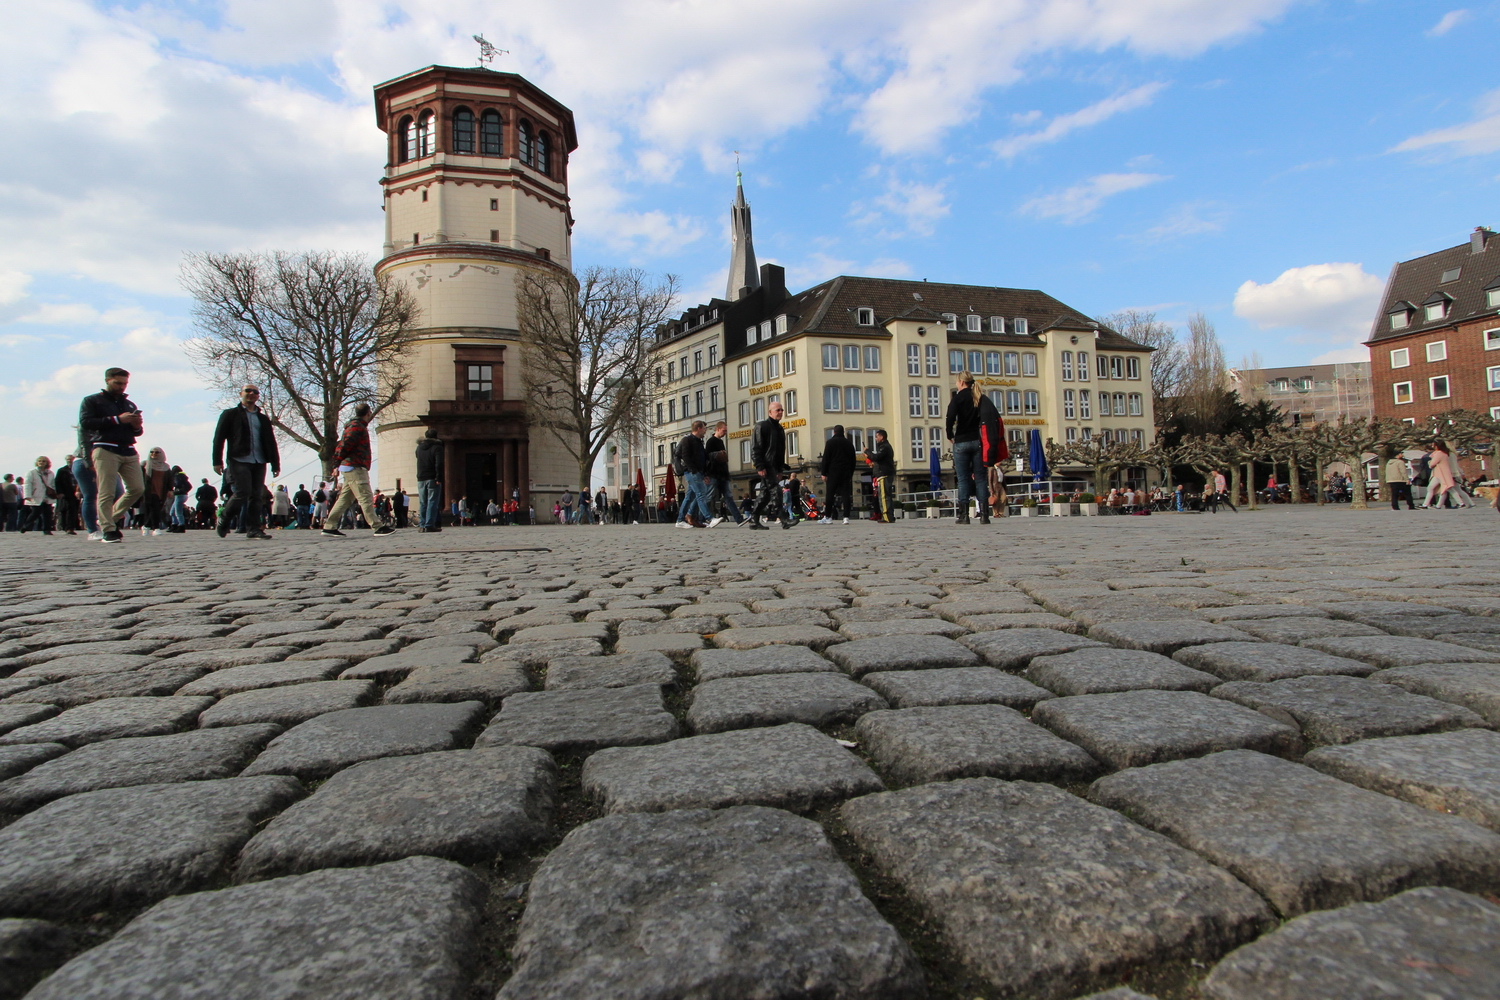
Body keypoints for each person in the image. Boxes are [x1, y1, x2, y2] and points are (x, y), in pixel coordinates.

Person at [79, 367, 145, 544]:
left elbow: (137, 432)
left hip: (128, 449)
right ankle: (108, 530)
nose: (122, 387)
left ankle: (108, 519)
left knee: (137, 488)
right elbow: (85, 423)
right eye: (118, 383)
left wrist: (137, 425)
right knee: (106, 491)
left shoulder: (129, 404)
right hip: (105, 447)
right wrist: (116, 419)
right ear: (107, 380)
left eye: (124, 383)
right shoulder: (92, 401)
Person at [212, 384, 281, 540]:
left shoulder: (262, 419)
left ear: (258, 396)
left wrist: (275, 464)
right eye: (248, 391)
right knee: (243, 492)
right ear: (241, 394)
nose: (251, 394)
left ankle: (253, 529)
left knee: (257, 495)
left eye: (255, 392)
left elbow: (271, 441)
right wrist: (217, 461)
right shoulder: (230, 414)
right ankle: (225, 516)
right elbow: (219, 439)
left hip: (259, 459)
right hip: (239, 458)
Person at [321, 403, 393, 537]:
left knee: (345, 499)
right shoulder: (357, 428)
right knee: (365, 497)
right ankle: (377, 526)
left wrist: (337, 464)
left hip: (351, 466)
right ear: (368, 413)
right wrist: (335, 463)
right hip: (355, 466)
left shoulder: (354, 426)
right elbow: (344, 446)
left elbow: (343, 445)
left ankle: (329, 526)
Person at [946, 371, 1001, 525]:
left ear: (961, 382)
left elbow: (950, 417)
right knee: (981, 479)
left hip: (961, 442)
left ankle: (964, 516)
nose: (956, 384)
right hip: (978, 442)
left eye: (957, 382)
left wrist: (949, 434)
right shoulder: (979, 397)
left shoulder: (957, 398)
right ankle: (984, 515)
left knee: (963, 480)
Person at [749, 400, 794, 530]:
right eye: (777, 410)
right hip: (766, 464)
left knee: (764, 494)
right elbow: (756, 448)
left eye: (781, 410)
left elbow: (780, 451)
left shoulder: (780, 429)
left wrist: (780, 469)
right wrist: (759, 465)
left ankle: (753, 519)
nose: (780, 412)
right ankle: (784, 520)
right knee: (776, 491)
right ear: (770, 412)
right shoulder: (762, 426)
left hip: (774, 466)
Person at [674, 421, 716, 529]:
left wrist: (705, 473)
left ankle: (680, 519)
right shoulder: (687, 440)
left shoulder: (699, 442)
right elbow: (685, 456)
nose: (705, 431)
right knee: (701, 494)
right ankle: (710, 518)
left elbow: (702, 459)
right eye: (704, 428)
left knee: (690, 497)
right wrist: (693, 470)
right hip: (692, 472)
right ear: (698, 428)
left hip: (699, 471)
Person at [703, 422, 744, 526]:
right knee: (709, 497)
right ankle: (703, 519)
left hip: (723, 474)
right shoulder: (711, 442)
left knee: (729, 497)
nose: (725, 432)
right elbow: (707, 458)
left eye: (726, 431)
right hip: (713, 474)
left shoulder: (721, 441)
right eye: (724, 430)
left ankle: (739, 519)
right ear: (717, 429)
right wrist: (717, 455)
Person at [819, 424, 856, 525]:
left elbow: (826, 458)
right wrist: (851, 472)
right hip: (846, 472)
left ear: (834, 432)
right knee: (846, 494)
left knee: (830, 494)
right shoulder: (849, 443)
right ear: (843, 432)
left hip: (833, 471)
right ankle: (846, 517)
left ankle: (828, 517)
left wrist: (824, 473)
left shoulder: (830, 442)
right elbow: (853, 459)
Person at [1423, 440, 1472, 509]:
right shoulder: (1444, 453)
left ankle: (1461, 503)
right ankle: (1427, 505)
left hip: (1442, 474)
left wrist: (1430, 461)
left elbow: (1431, 464)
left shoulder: (1440, 453)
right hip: (1438, 474)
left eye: (1433, 445)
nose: (1432, 446)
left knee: (1449, 489)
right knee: (1432, 488)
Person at [864, 429, 896, 523]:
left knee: (884, 496)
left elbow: (877, 457)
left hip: (883, 474)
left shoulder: (884, 447)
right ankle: (889, 515)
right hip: (884, 473)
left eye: (877, 436)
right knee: (886, 495)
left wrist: (868, 452)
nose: (876, 438)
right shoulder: (884, 446)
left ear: (882, 437)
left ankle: (887, 516)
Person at [139, 447, 172, 535]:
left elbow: (169, 480)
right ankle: (156, 528)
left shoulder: (166, 467)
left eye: (157, 452)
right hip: (149, 490)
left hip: (161, 491)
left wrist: (170, 490)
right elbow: (139, 478)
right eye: (152, 452)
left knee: (156, 509)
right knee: (154, 508)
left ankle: (146, 526)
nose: (154, 454)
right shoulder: (144, 465)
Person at [20, 457, 56, 535]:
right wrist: (27, 495)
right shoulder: (32, 472)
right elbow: (27, 484)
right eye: (40, 461)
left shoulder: (50, 473)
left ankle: (47, 529)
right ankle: (26, 526)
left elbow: (52, 484)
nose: (41, 462)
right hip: (36, 495)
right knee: (35, 512)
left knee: (48, 513)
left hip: (46, 496)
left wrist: (54, 493)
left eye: (43, 461)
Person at [54, 458, 78, 535]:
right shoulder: (62, 470)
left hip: (76, 492)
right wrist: (59, 492)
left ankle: (71, 526)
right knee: (66, 510)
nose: (70, 461)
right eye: (68, 459)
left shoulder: (77, 469)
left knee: (75, 510)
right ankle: (67, 527)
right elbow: (57, 482)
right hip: (66, 492)